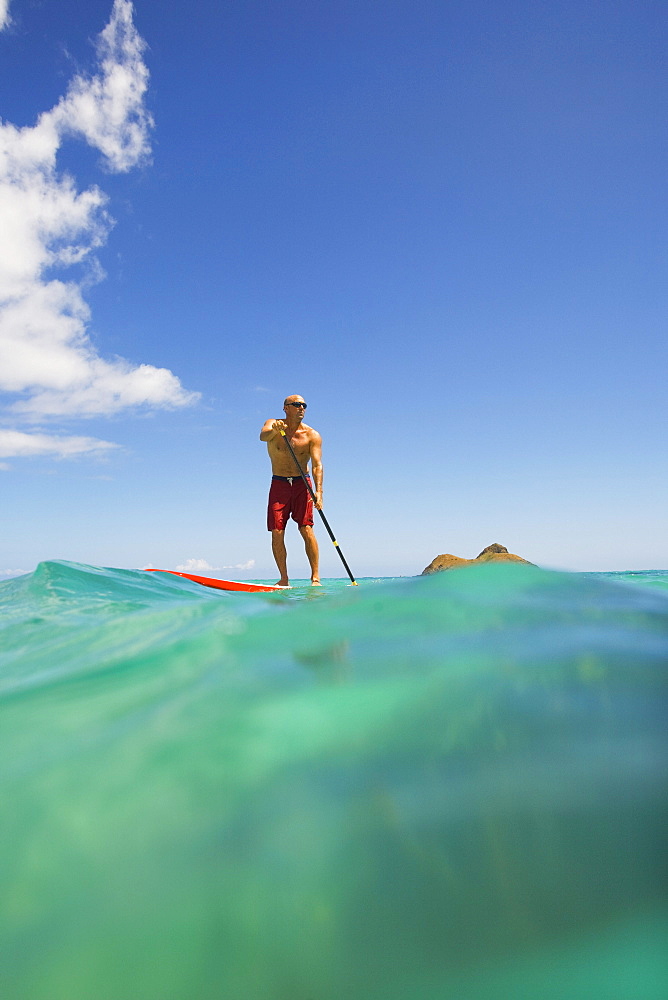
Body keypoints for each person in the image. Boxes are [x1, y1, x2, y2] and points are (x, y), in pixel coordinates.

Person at [260, 395, 323, 587]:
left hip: (302, 483)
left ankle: (315, 578)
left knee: (306, 528)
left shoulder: (312, 435)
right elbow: (263, 436)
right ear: (285, 408)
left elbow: (317, 465)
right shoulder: (273, 424)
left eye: (304, 405)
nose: (301, 408)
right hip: (279, 483)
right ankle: (284, 578)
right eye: (296, 405)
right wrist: (275, 432)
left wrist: (319, 492)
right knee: (277, 531)